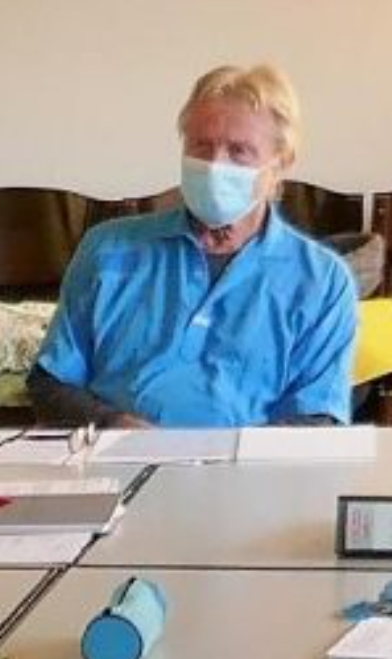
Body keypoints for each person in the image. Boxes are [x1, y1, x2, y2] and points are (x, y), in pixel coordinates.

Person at [27, 64, 357, 428]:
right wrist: (113, 425)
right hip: (115, 453)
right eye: (202, 146)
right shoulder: (107, 250)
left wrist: (229, 455)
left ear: (280, 163)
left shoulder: (322, 281)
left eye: (239, 151)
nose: (215, 165)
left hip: (248, 461)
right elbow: (49, 385)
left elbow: (317, 418)